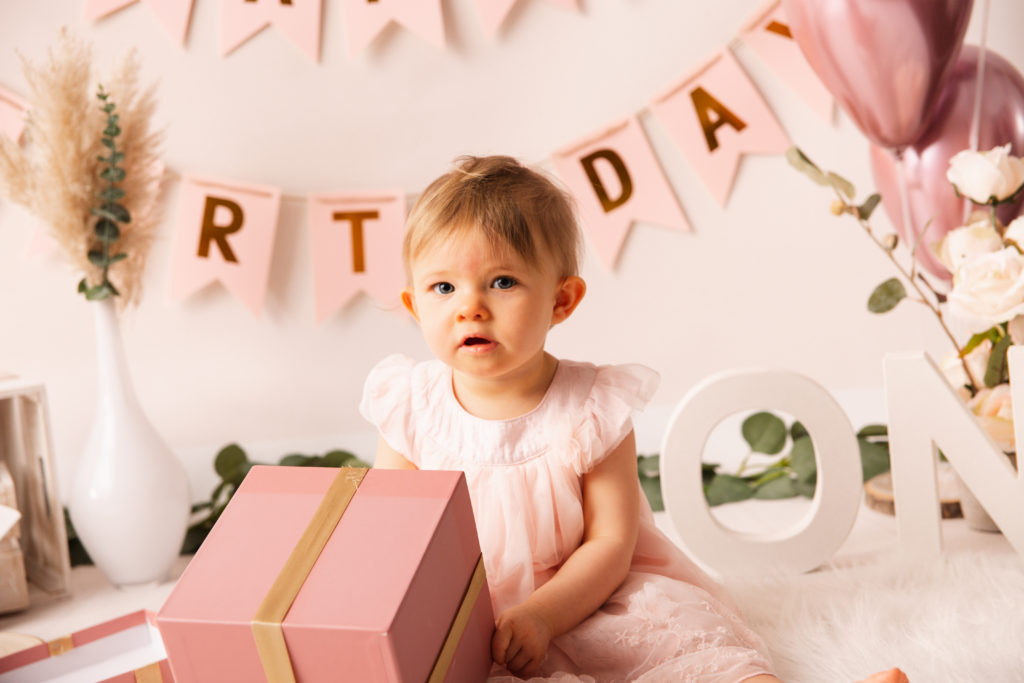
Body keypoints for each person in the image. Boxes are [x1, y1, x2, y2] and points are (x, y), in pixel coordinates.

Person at [360, 155, 907, 683]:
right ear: (414, 307)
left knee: (677, 638)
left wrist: (545, 614)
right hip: (468, 611)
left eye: (502, 282)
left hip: (590, 593)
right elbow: (391, 539)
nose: (469, 307)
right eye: (443, 287)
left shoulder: (592, 406)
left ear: (562, 300)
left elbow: (610, 543)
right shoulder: (412, 408)